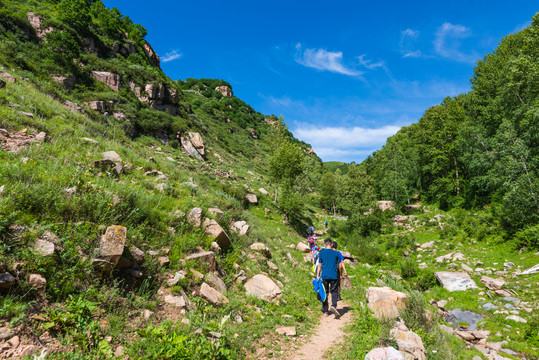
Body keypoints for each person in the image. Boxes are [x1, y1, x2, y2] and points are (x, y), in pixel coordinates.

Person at [316, 238, 341, 318]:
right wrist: (340, 275)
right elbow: (339, 266)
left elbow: (319, 265)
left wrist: (317, 275)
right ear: (332, 244)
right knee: (334, 291)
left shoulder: (322, 253)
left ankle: (325, 311)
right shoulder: (336, 253)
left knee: (325, 292)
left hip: (325, 276)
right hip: (334, 275)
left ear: (324, 245)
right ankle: (334, 305)